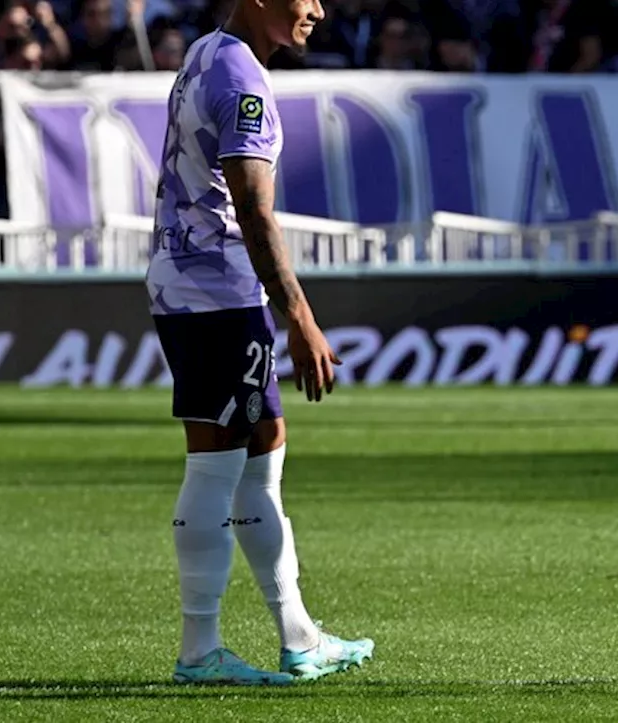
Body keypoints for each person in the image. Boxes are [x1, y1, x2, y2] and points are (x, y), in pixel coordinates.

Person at [147, 0, 374, 685]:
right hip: (212, 294)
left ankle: (299, 636)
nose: (318, 8)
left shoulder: (209, 51)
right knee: (216, 465)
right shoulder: (242, 80)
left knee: (264, 452)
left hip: (203, 286)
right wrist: (300, 317)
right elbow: (251, 208)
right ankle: (199, 651)